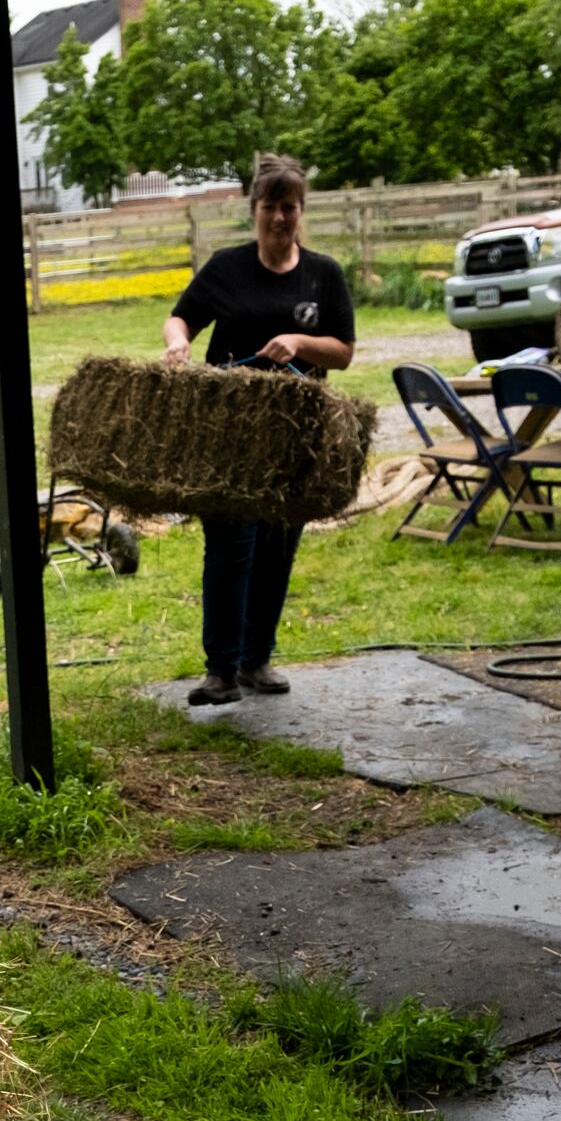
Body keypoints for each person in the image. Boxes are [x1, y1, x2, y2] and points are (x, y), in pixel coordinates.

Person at [162, 155, 355, 707]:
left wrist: (298, 342)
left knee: (276, 546)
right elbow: (182, 317)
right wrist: (178, 342)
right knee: (230, 546)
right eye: (270, 207)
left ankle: (257, 659)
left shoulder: (323, 274)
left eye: (289, 208)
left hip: (295, 437)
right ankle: (220, 670)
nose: (279, 218)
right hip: (229, 435)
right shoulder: (227, 267)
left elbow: (342, 353)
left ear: (301, 211)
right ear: (255, 209)